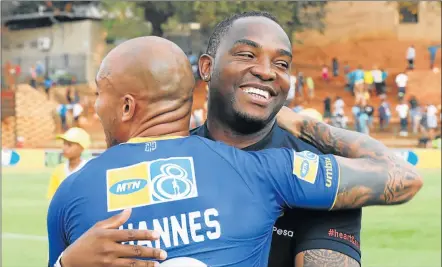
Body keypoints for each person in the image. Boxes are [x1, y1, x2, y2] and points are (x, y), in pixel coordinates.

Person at [49, 12, 423, 267]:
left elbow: (403, 179)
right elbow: (398, 175)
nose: (265, 72)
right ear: (206, 69)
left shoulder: (73, 191)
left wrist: (308, 129)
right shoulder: (267, 171)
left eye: (281, 64)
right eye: (247, 54)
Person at [47, 127, 91, 200]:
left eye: (69, 145)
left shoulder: (88, 170)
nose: (64, 147)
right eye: (64, 143)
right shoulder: (58, 170)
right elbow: (52, 197)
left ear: (81, 148)